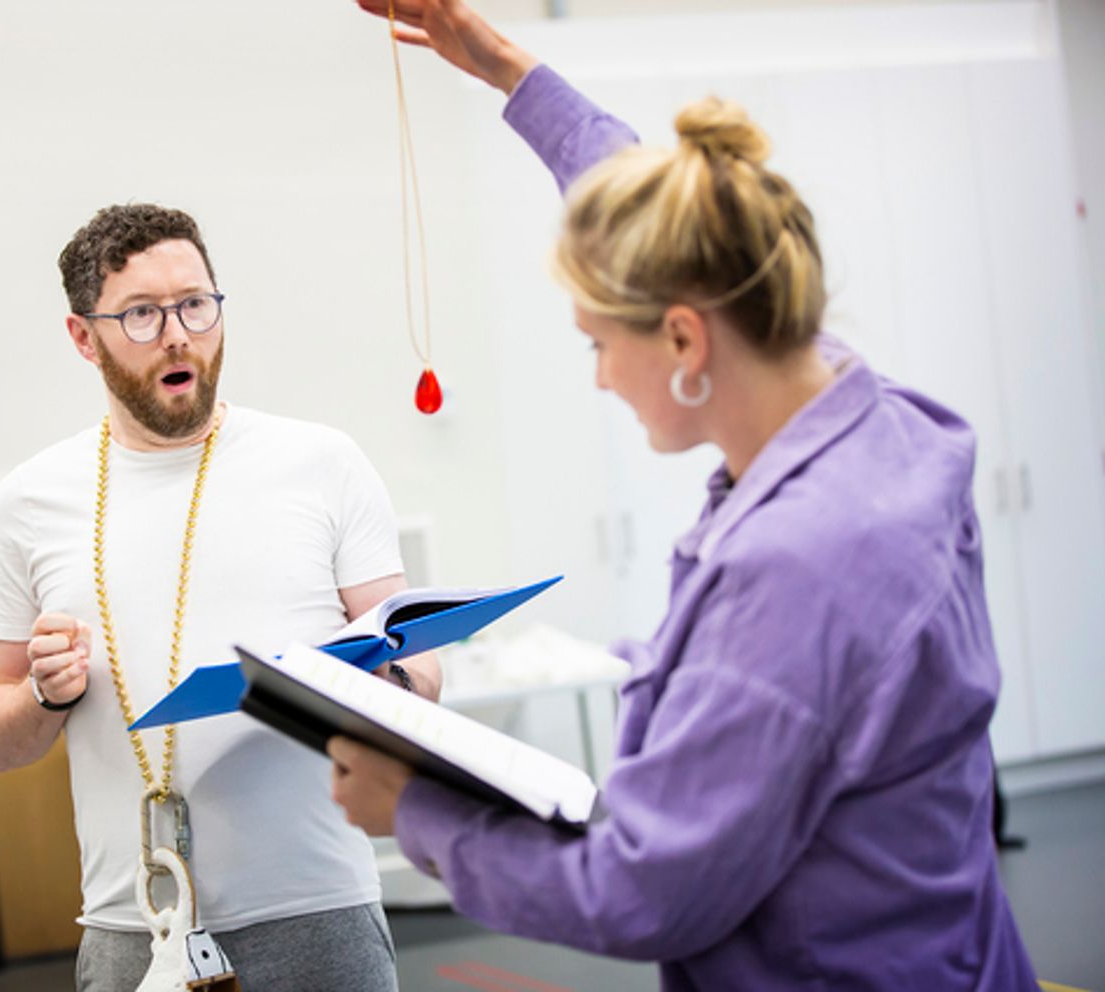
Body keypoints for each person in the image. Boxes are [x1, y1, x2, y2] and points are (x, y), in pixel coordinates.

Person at [331, 2, 1039, 988]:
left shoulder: (795, 562)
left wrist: (415, 806)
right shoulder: (865, 411)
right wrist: (507, 71)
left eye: (595, 342)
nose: (597, 376)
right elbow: (676, 230)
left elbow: (644, 891)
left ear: (680, 337)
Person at [0, 202, 440, 992]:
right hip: (133, 925)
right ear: (85, 337)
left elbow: (421, 676)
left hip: (320, 910)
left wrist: (383, 679)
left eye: (195, 304)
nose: (179, 334)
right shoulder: (30, 500)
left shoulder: (322, 463)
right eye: (142, 315)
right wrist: (43, 696)